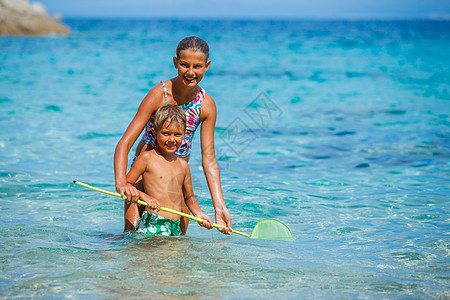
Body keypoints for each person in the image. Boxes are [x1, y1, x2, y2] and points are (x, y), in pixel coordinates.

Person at [114, 36, 231, 234]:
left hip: (177, 186)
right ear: (175, 62)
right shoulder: (159, 94)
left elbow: (209, 159)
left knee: (179, 247)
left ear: (207, 66)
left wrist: (219, 206)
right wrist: (121, 183)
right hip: (144, 181)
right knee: (132, 240)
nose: (191, 72)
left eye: (197, 66)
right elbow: (125, 143)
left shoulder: (206, 105)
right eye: (185, 65)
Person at [126, 105, 213, 236]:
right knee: (150, 256)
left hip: (174, 227)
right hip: (153, 224)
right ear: (155, 133)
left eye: (177, 135)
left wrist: (199, 214)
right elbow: (126, 185)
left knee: (176, 256)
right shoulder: (147, 158)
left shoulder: (183, 165)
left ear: (184, 135)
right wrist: (144, 197)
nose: (172, 140)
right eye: (166, 133)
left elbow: (189, 197)